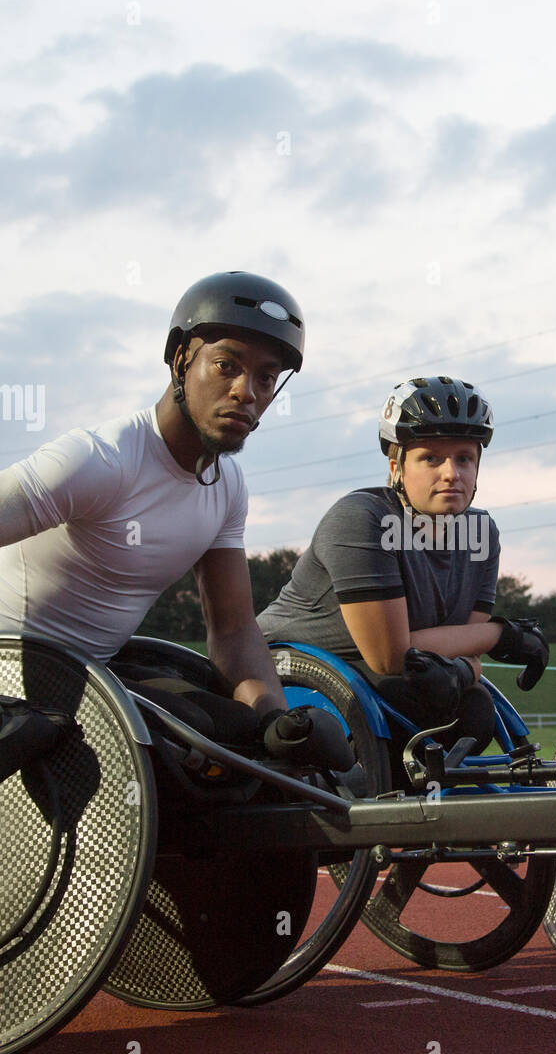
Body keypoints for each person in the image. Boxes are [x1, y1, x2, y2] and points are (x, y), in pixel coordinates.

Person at [0, 270, 346, 766]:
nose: (246, 391)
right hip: (13, 672)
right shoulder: (99, 460)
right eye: (226, 365)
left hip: (95, 674)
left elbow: (231, 629)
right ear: (181, 358)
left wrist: (276, 718)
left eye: (266, 377)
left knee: (239, 737)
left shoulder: (227, 487)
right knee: (190, 741)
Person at [257, 375, 548, 773]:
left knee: (474, 706)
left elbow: (466, 650)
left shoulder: (482, 533)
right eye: (431, 458)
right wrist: (506, 635)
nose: (451, 473)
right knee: (408, 693)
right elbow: (390, 655)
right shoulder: (361, 518)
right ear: (396, 467)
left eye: (464, 458)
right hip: (286, 675)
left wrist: (464, 666)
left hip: (385, 674)